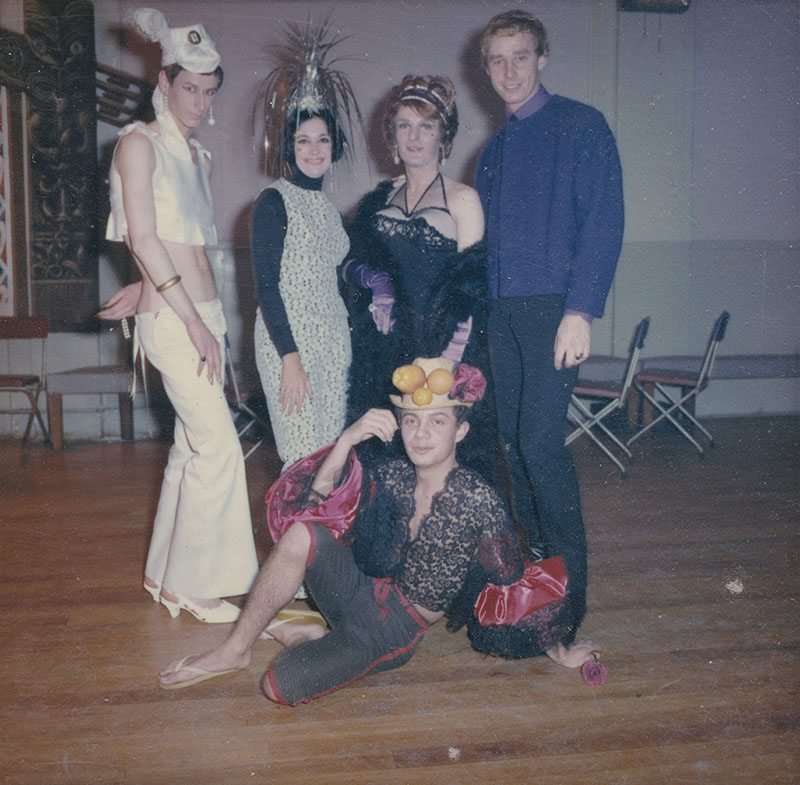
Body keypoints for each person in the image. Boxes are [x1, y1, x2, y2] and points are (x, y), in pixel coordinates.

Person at [158, 357, 597, 703]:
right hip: (358, 590)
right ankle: (236, 649)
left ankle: (316, 635)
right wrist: (347, 440)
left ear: (461, 430)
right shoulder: (392, 476)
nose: (421, 435)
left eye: (437, 421)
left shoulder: (477, 500)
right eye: (411, 421)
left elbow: (512, 582)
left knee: (278, 686)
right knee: (302, 534)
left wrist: (560, 649)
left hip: (390, 630)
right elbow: (309, 510)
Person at [100, 8, 258, 622]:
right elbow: (142, 237)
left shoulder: (200, 160)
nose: (198, 101)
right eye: (188, 87)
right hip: (177, 324)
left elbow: (183, 244)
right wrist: (185, 318)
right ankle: (197, 583)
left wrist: (149, 292)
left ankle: (167, 575)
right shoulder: (136, 145)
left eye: (209, 90)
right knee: (219, 446)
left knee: (195, 447)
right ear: (163, 82)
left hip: (201, 314)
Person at [474, 10, 625, 639]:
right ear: (486, 68)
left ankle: (570, 600)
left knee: (539, 444)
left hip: (553, 311)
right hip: (500, 314)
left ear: (542, 59)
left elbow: (604, 223)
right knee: (512, 445)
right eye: (496, 59)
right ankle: (538, 579)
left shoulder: (581, 125)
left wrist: (580, 311)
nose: (508, 70)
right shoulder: (493, 150)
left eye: (520, 56)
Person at [343, 75, 492, 476]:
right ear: (391, 135)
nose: (414, 136)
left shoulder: (463, 199)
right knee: (385, 461)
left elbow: (473, 291)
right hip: (384, 352)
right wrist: (376, 282)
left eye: (426, 126)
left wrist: (447, 364)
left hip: (447, 348)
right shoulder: (376, 201)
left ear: (443, 136)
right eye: (404, 125)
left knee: (442, 461)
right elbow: (348, 266)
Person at [250, 21, 362, 471]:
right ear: (287, 146)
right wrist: (289, 359)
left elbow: (337, 274)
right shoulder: (272, 201)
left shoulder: (331, 209)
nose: (314, 150)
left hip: (333, 341)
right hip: (289, 345)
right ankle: (295, 542)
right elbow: (268, 288)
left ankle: (324, 542)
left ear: (334, 147)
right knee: (299, 458)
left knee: (330, 459)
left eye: (322, 140)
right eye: (303, 140)